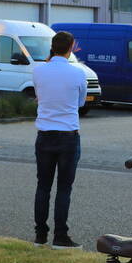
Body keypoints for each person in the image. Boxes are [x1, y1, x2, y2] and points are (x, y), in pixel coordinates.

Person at [33, 31, 87, 249]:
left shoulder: (38, 71)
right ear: (71, 47)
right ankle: (60, 236)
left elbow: (39, 97)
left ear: (52, 47)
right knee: (64, 188)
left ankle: (40, 235)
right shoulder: (78, 73)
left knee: (43, 186)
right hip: (68, 135)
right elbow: (81, 103)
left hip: (44, 134)